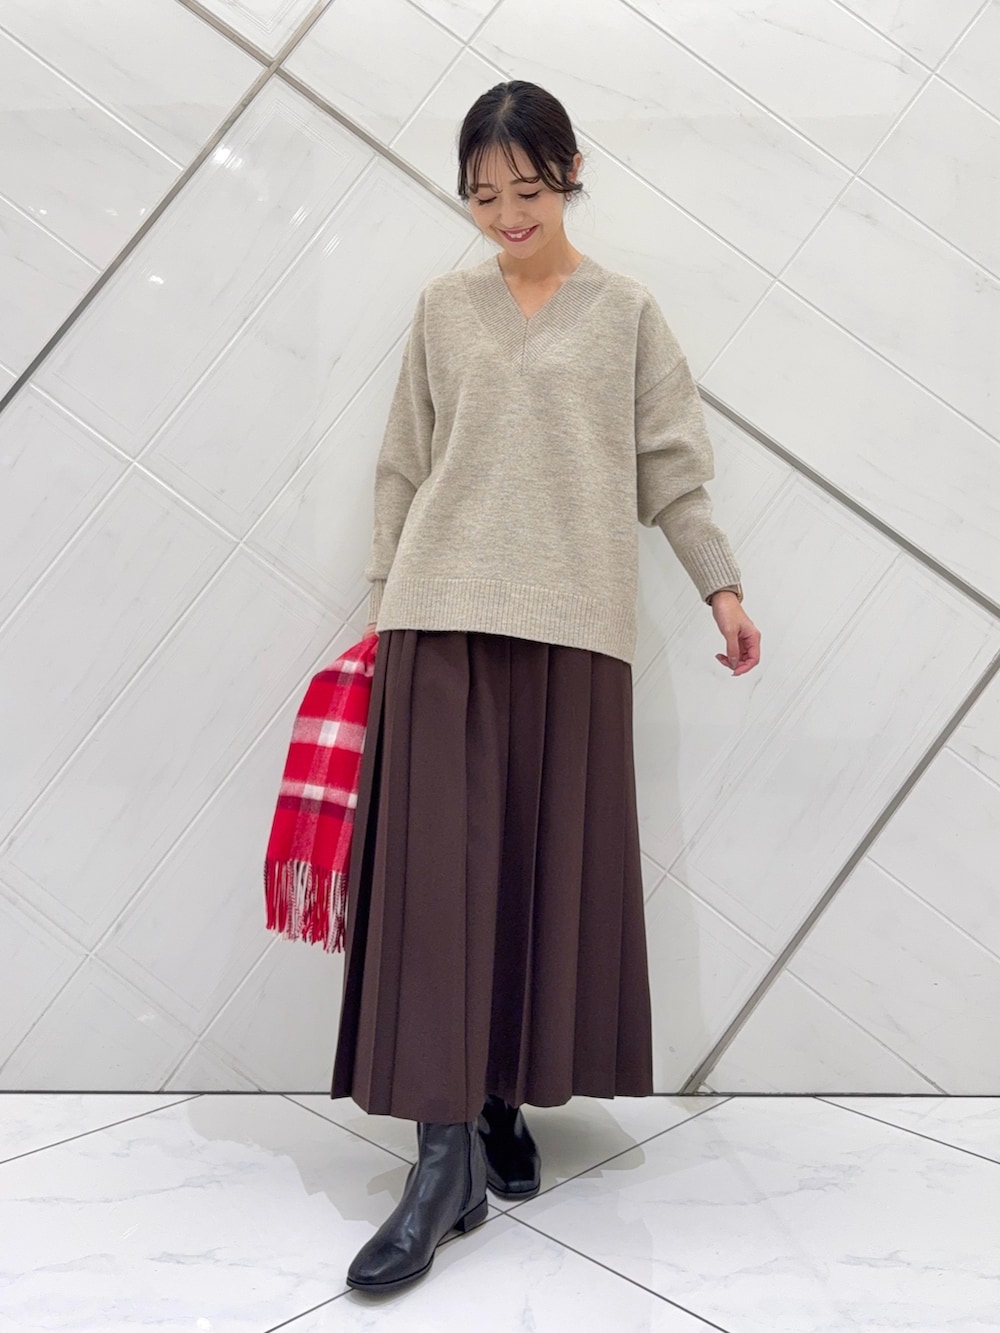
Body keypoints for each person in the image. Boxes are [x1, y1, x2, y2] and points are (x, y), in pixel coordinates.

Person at [330, 79, 762, 1293]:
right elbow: (401, 467)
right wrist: (384, 604)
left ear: (569, 173)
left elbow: (670, 469)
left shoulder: (625, 313)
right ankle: (441, 1162)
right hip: (439, 620)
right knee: (436, 891)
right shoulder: (442, 309)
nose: (506, 213)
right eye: (482, 195)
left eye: (526, 187)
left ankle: (497, 1100)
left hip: (573, 625)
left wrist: (721, 587)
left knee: (531, 874)